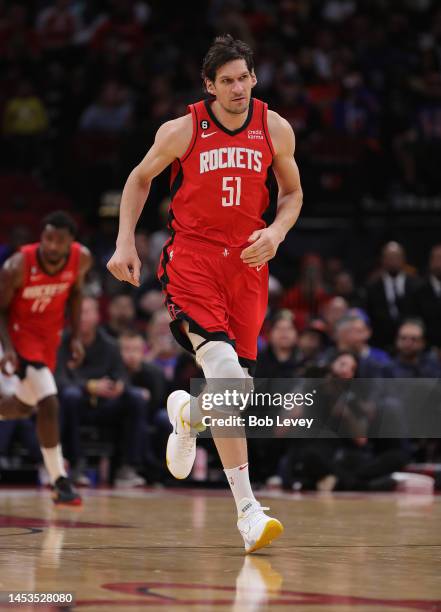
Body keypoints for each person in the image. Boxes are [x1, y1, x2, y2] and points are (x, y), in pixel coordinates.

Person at [107, 35, 303, 553]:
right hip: (193, 261)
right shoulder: (183, 129)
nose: (238, 88)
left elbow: (292, 193)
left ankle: (187, 415)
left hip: (248, 266)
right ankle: (247, 511)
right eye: (227, 81)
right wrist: (125, 240)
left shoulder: (274, 127)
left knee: (232, 393)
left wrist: (277, 232)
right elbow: (138, 178)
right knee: (225, 375)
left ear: (254, 78)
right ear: (209, 86)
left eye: (245, 78)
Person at [0, 211, 92, 505]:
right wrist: (8, 348)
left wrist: (76, 336)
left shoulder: (82, 259)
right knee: (49, 402)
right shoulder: (17, 265)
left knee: (21, 408)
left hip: (47, 339)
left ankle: (58, 481)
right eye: (48, 239)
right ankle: (59, 481)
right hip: (17, 335)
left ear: (71, 243)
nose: (52, 246)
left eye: (59, 241)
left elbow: (76, 295)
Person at [56, 296, 147, 488]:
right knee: (70, 395)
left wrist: (120, 385)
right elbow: (59, 380)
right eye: (79, 313)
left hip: (105, 404)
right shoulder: (62, 342)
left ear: (97, 316)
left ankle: (127, 468)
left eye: (88, 312)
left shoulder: (110, 345)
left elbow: (121, 375)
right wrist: (89, 386)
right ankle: (76, 465)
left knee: (135, 398)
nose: (83, 317)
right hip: (75, 405)